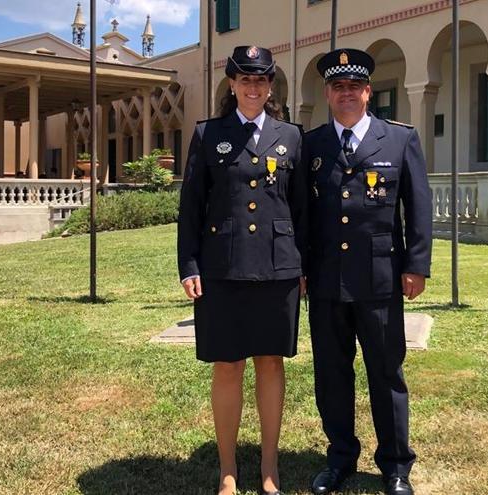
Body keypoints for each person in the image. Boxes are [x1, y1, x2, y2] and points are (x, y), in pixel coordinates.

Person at [177, 45, 308, 495]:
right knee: (228, 365)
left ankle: (269, 468)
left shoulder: (291, 136)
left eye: (261, 80)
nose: (253, 87)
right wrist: (189, 264)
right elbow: (191, 207)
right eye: (244, 79)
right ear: (231, 84)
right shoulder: (208, 134)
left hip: (278, 268)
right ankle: (228, 470)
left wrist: (304, 265)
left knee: (271, 362)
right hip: (223, 268)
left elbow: (302, 209)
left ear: (270, 86)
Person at [303, 48, 432, 495]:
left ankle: (396, 467)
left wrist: (416, 265)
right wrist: (301, 268)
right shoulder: (312, 144)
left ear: (367, 91)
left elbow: (418, 207)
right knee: (332, 375)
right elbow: (302, 212)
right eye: (338, 87)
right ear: (328, 93)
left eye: (353, 87)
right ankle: (339, 458)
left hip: (380, 279)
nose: (346, 94)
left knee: (386, 373)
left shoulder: (399, 139)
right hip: (325, 280)